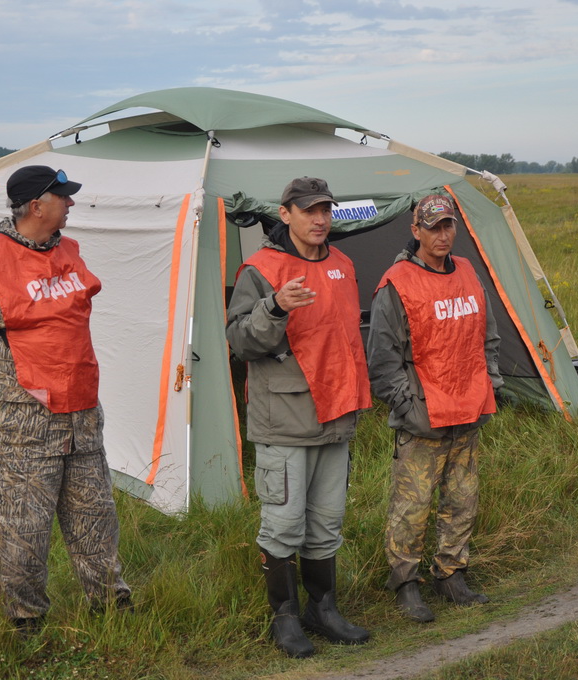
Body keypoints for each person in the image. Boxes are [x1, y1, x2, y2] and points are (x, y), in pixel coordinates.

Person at [0, 165, 132, 634]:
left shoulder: (69, 251)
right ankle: (26, 622)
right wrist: (0, 389)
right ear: (35, 206)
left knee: (96, 522)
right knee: (20, 532)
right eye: (61, 197)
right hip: (19, 432)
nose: (70, 204)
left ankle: (111, 608)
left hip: (82, 419)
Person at [226, 177, 372, 658]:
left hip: (336, 416)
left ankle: (323, 609)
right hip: (285, 419)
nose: (320, 219)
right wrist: (274, 308)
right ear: (284, 214)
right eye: (308, 210)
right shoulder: (262, 269)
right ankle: (285, 618)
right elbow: (241, 341)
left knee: (327, 522)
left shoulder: (344, 265)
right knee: (284, 525)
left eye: (326, 209)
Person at [366, 193, 503, 623]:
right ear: (416, 231)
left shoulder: (467, 272)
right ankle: (405, 584)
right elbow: (382, 362)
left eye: (448, 226)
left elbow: (488, 337)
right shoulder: (398, 283)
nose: (442, 235)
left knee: (462, 500)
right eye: (433, 227)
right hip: (424, 420)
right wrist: (410, 409)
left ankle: (451, 574)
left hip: (469, 411)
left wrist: (490, 383)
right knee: (412, 506)